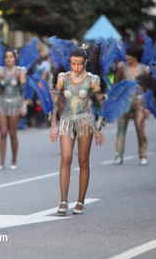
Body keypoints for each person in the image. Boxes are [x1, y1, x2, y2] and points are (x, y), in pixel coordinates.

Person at [50, 48, 104, 215]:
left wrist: (99, 128)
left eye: (79, 64)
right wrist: (53, 123)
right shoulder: (62, 78)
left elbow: (101, 104)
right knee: (65, 158)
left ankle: (80, 201)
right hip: (66, 120)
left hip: (84, 122)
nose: (75, 67)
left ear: (85, 62)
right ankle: (63, 201)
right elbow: (54, 101)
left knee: (83, 160)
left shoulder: (93, 79)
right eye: (73, 63)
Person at [0, 49, 27, 170]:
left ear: (15, 58)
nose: (8, 59)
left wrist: (24, 105)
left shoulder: (20, 71)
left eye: (11, 57)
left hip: (15, 102)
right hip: (2, 102)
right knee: (3, 132)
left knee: (12, 133)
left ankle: (14, 159)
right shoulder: (0, 70)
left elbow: (24, 90)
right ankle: (2, 161)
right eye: (6, 57)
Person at [113, 46, 150, 166]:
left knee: (140, 128)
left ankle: (143, 155)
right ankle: (118, 155)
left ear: (135, 56)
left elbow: (148, 89)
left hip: (139, 101)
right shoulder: (122, 68)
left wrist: (147, 107)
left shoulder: (144, 69)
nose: (126, 57)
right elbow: (116, 83)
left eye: (129, 55)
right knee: (121, 128)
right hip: (124, 100)